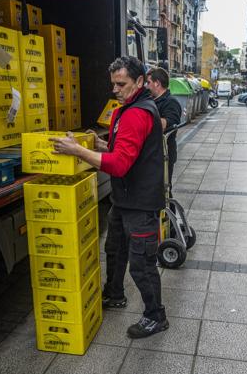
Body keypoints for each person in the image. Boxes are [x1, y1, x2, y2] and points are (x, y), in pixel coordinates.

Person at [50, 56, 168, 339]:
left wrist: (77, 152)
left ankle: (156, 316)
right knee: (114, 250)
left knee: (142, 265)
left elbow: (119, 164)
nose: (115, 89)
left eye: (121, 84)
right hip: (124, 200)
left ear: (139, 82)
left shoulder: (138, 113)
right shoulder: (124, 110)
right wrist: (95, 143)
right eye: (113, 83)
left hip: (140, 204)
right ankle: (114, 294)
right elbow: (119, 150)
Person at [145, 67, 182, 189]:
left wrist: (139, 120)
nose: (146, 86)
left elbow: (168, 123)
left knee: (163, 191)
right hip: (152, 155)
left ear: (157, 83)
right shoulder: (151, 100)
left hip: (163, 156)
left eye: (148, 82)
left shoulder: (171, 102)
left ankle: (169, 209)